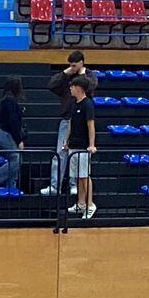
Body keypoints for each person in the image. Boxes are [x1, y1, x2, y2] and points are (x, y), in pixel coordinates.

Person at [40, 51, 93, 199]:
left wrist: (81, 75)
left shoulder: (89, 75)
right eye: (70, 65)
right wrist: (65, 72)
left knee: (76, 154)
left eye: (74, 65)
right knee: (61, 153)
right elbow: (51, 84)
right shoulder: (67, 77)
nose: (72, 67)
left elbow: (90, 87)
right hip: (67, 119)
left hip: (81, 121)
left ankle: (74, 185)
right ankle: (55, 185)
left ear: (82, 63)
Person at [62, 75, 97, 220]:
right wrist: (66, 141)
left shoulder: (87, 104)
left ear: (79, 88)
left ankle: (90, 205)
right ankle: (81, 203)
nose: (70, 88)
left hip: (83, 147)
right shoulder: (74, 104)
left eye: (72, 86)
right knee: (77, 176)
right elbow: (70, 124)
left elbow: (91, 126)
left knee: (84, 176)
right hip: (73, 146)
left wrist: (91, 145)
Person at [0, 76, 25, 192]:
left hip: (5, 133)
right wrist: (19, 140)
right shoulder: (10, 101)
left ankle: (11, 186)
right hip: (6, 134)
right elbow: (13, 122)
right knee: (16, 159)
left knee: (15, 159)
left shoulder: (6, 100)